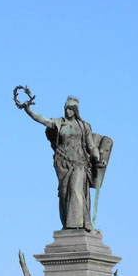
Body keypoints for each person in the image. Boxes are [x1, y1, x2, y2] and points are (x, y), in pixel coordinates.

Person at [21, 96, 103, 231]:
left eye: (70, 109)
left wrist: (96, 156)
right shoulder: (59, 123)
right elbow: (42, 119)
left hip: (79, 163)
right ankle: (67, 225)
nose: (67, 111)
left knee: (76, 190)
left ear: (76, 110)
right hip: (62, 163)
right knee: (64, 194)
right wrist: (28, 110)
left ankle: (79, 224)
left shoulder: (84, 126)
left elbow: (91, 145)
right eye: (66, 108)